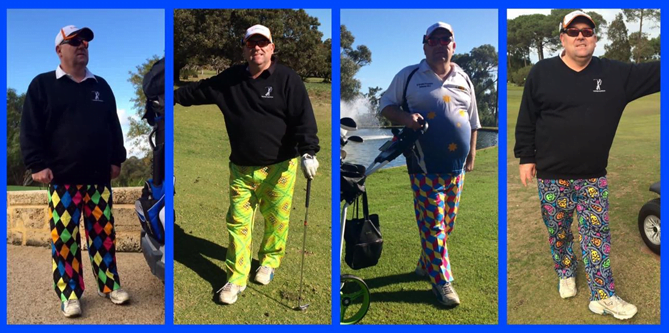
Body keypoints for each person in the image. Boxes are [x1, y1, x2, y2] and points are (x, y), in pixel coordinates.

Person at [514, 11, 660, 320]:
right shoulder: (542, 72)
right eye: (573, 30)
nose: (581, 35)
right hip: (552, 176)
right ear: (562, 38)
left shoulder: (615, 74)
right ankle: (566, 269)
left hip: (593, 176)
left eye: (587, 30)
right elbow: (527, 118)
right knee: (559, 231)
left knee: (597, 235)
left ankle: (602, 295)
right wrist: (526, 158)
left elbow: (659, 71)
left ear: (594, 38)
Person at [174, 24, 320, 305]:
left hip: (280, 167)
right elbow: (198, 91)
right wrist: (169, 97)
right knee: (238, 223)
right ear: (244, 48)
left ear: (272, 48)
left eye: (262, 43)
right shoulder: (230, 80)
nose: (257, 48)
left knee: (276, 220)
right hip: (241, 168)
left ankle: (269, 262)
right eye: (251, 43)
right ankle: (237, 278)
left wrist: (308, 152)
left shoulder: (288, 79)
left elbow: (303, 119)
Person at [20, 25, 130, 318]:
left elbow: (113, 128)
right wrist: (36, 164)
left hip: (98, 180)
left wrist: (116, 158)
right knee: (64, 240)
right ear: (59, 49)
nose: (82, 46)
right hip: (62, 181)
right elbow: (30, 130)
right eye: (74, 42)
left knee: (104, 236)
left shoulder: (101, 86)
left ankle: (109, 286)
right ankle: (69, 294)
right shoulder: (42, 85)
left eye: (85, 42)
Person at [379, 22, 480, 306]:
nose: (439, 45)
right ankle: (442, 283)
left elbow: (472, 120)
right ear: (425, 45)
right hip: (423, 166)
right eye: (433, 40)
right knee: (433, 224)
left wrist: (472, 153)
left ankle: (427, 263)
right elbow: (385, 105)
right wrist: (406, 119)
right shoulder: (410, 75)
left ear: (453, 45)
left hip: (456, 167)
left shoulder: (464, 77)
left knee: (447, 224)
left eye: (444, 40)